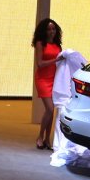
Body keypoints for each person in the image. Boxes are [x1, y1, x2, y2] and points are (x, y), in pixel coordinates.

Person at [32, 18, 63, 151]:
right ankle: (39, 137)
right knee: (50, 109)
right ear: (44, 31)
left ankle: (47, 139)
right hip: (43, 79)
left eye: (53, 29)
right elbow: (40, 63)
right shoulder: (40, 43)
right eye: (49, 29)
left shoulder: (58, 45)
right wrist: (56, 59)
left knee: (52, 111)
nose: (51, 32)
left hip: (54, 79)